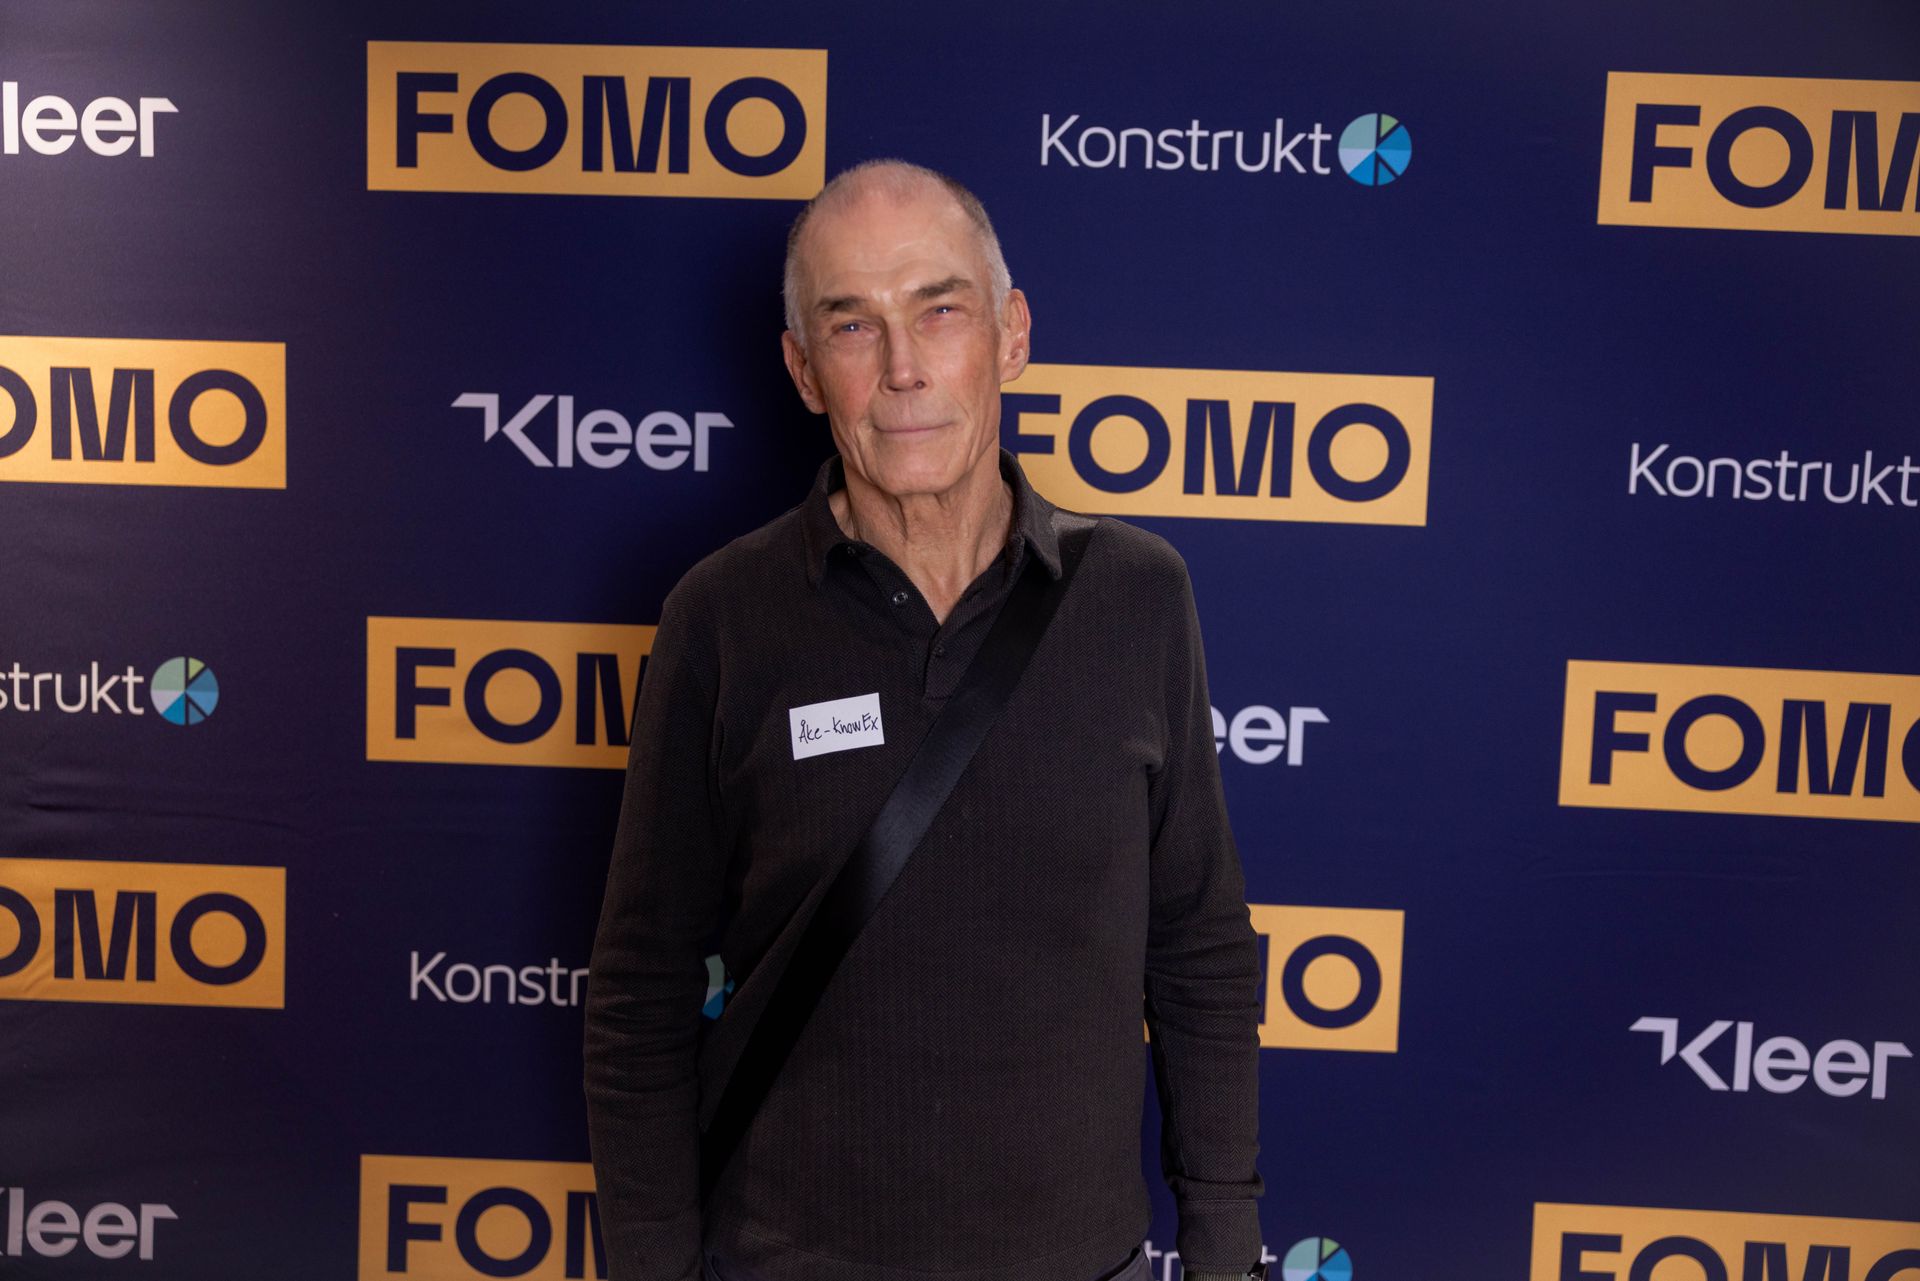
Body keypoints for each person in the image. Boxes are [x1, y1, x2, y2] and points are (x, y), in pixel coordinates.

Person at [584, 158, 1267, 1281]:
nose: (902, 368)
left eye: (940, 311)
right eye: (853, 326)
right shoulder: (721, 616)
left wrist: (1226, 1243)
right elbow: (640, 988)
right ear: (805, 371)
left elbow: (1199, 944)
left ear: (1011, 335)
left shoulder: (1138, 596)